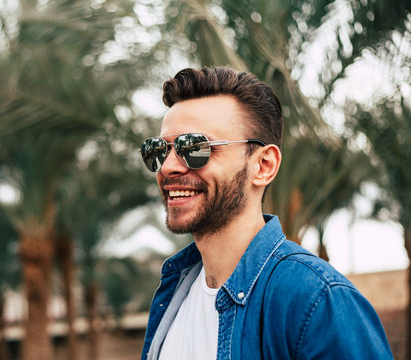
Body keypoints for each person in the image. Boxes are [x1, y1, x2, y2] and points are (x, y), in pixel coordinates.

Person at [139, 66, 392, 359]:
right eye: (159, 149)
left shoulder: (317, 300)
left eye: (195, 147)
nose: (168, 166)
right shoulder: (172, 296)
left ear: (263, 166)